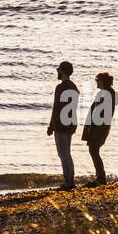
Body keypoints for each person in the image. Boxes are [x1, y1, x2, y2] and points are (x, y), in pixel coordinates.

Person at [46, 61, 79, 189]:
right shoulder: (74, 87)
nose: (57, 72)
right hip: (70, 122)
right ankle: (70, 180)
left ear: (63, 72)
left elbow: (56, 108)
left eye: (59, 70)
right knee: (67, 153)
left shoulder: (60, 87)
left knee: (63, 154)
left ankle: (68, 182)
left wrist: (51, 126)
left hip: (60, 123)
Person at [82, 72, 117, 186]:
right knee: (94, 150)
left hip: (100, 127)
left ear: (103, 82)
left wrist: (93, 126)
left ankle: (101, 178)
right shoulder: (106, 93)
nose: (96, 82)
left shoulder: (106, 94)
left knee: (94, 150)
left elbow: (100, 112)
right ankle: (100, 177)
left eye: (98, 80)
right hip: (100, 126)